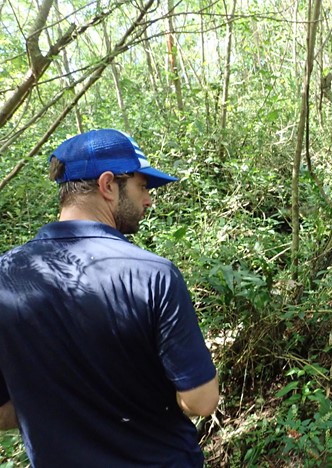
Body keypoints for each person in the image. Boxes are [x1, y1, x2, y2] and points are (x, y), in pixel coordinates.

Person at [0, 129, 219, 467]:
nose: (149, 200)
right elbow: (202, 401)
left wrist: (59, 402)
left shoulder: (5, 275)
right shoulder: (152, 275)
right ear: (107, 185)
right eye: (142, 186)